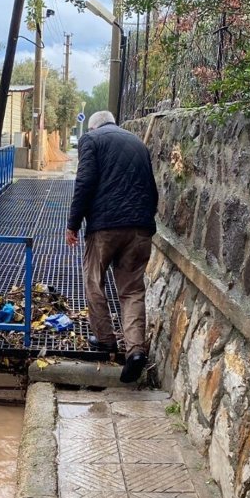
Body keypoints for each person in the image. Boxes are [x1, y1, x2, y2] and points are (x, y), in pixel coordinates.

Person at [66, 110, 159, 384]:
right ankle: (136, 351)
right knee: (131, 290)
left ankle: (106, 340)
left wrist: (72, 224)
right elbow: (152, 190)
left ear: (93, 126)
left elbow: (84, 182)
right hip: (140, 227)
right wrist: (143, 220)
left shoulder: (91, 140)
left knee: (94, 280)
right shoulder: (138, 142)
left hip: (105, 226)